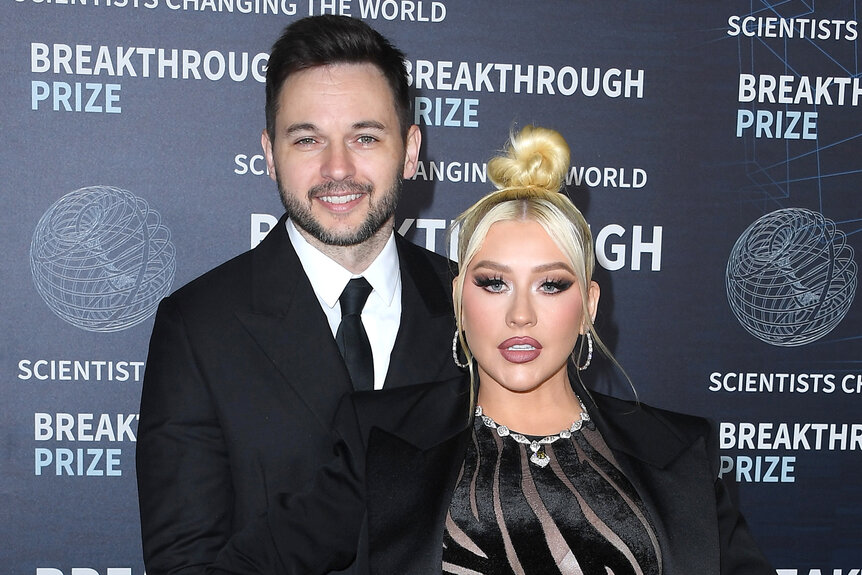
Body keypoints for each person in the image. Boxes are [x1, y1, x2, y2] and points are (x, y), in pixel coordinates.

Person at [206, 125, 775, 574]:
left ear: (590, 305)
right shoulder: (381, 438)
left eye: (551, 285)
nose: (520, 314)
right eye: (493, 283)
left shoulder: (676, 448)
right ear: (459, 298)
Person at [135, 15, 463, 575]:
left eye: (365, 137)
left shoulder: (476, 308)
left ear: (410, 150)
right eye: (308, 139)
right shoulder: (198, 327)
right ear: (269, 153)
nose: (338, 169)